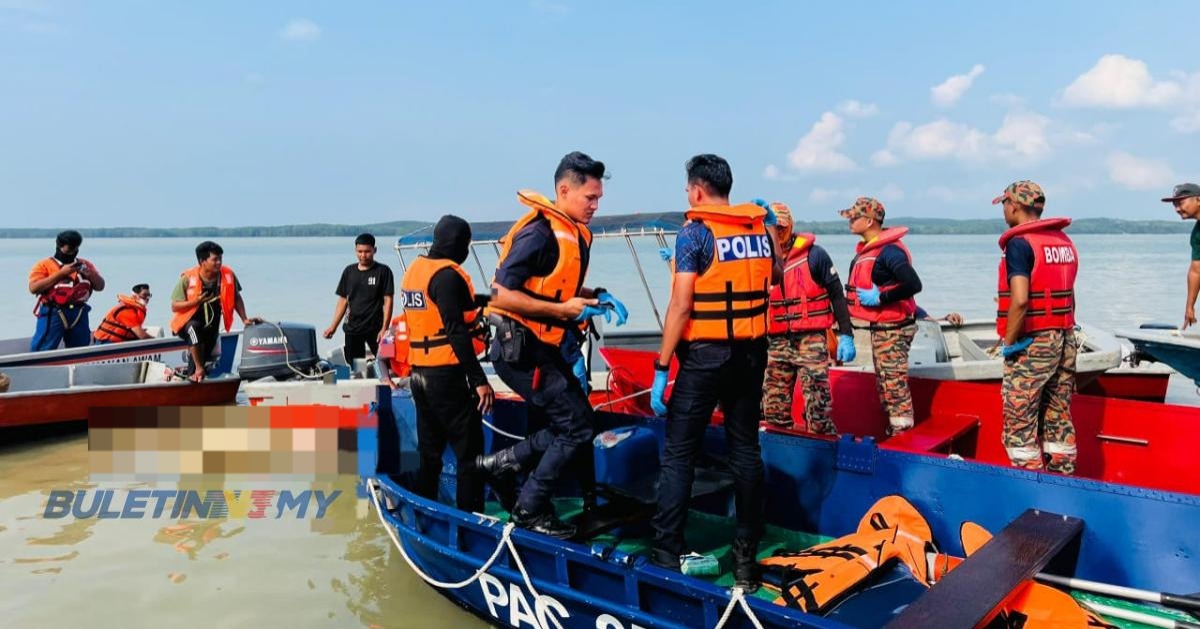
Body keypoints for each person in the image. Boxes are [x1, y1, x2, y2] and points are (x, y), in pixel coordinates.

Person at [475, 151, 628, 540]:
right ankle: (528, 508)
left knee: (576, 423)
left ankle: (503, 463)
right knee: (576, 428)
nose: (595, 206)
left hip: (545, 348)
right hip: (521, 352)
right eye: (589, 198)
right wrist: (562, 310)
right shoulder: (539, 233)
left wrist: (597, 297)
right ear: (564, 190)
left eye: (598, 199)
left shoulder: (572, 232)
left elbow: (556, 286)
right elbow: (500, 296)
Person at [647, 154, 781, 591]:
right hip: (751, 354)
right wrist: (772, 234)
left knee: (679, 452)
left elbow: (682, 305)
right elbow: (775, 275)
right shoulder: (759, 229)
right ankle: (745, 559)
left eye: (688, 190)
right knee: (745, 451)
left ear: (698, 190)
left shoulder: (694, 234)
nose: (688, 196)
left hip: (705, 356)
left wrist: (662, 366)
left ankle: (666, 549)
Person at [400, 215, 495, 513]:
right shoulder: (447, 276)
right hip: (444, 376)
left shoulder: (416, 271)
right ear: (458, 244)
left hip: (419, 374)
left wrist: (493, 299)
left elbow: (449, 306)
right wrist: (479, 380)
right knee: (470, 453)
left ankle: (423, 512)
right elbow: (456, 331)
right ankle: (470, 520)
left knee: (430, 452)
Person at [993, 181, 1080, 474]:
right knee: (1058, 413)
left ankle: (1031, 486)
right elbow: (1068, 292)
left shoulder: (1020, 244)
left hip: (1033, 342)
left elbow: (1019, 299)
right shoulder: (1062, 242)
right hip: (1066, 336)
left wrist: (1009, 341)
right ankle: (1063, 476)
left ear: (1014, 206)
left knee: (1019, 420)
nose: (1003, 210)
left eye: (1004, 204)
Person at [761, 202, 855, 434]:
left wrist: (846, 334)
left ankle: (822, 444)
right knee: (773, 407)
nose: (779, 232)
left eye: (782, 227)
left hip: (810, 340)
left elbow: (836, 295)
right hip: (776, 342)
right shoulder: (761, 259)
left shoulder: (815, 255)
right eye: (774, 228)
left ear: (790, 225)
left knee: (818, 404)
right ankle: (780, 450)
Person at [841, 197, 922, 435]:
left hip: (894, 329)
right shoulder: (868, 252)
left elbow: (913, 284)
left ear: (869, 221)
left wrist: (881, 298)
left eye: (853, 218)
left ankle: (903, 435)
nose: (849, 222)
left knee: (894, 384)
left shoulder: (889, 252)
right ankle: (894, 431)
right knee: (885, 383)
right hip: (882, 329)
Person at [170, 241, 262, 382]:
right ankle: (199, 370)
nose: (219, 263)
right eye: (215, 260)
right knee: (194, 330)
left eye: (220, 259)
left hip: (211, 324)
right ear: (202, 261)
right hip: (187, 323)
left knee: (202, 358)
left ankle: (195, 380)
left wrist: (244, 318)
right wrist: (196, 301)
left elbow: (236, 297)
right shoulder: (187, 278)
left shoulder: (228, 275)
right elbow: (175, 306)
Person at [27, 230, 106, 351]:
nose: (72, 252)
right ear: (60, 246)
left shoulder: (85, 264)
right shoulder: (43, 265)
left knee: (81, 349)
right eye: (69, 250)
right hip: (53, 311)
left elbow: (100, 286)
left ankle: (78, 367)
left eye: (75, 249)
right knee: (44, 347)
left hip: (79, 312)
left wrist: (89, 274)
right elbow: (33, 288)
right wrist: (61, 273)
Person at [324, 233, 395, 364]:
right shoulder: (349, 271)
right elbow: (343, 300)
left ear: (375, 250)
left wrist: (385, 328)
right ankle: (363, 382)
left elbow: (388, 301)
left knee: (388, 363)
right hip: (353, 329)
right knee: (357, 367)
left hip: (377, 328)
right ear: (355, 251)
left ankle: (389, 382)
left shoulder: (384, 271)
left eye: (367, 251)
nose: (363, 255)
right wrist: (333, 327)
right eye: (360, 251)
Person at [1161, 183, 1200, 330]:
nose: (1177, 208)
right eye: (1174, 205)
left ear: (1198, 200)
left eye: (1181, 203)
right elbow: (1196, 270)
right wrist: (1189, 307)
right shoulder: (1197, 235)